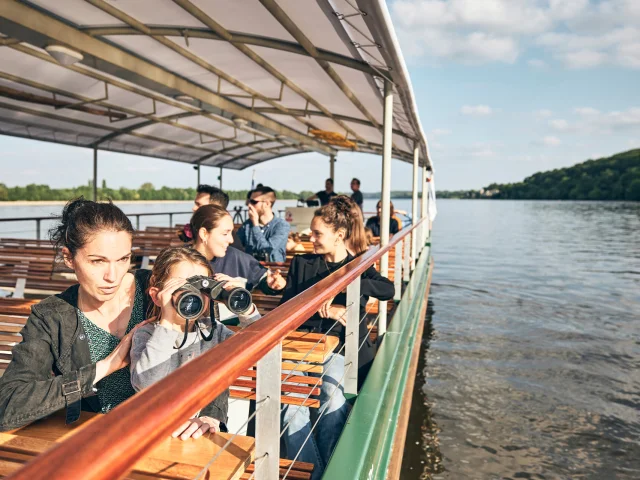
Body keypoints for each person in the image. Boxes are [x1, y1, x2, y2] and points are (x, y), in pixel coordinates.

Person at [0, 198, 152, 430]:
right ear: (69, 258)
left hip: (163, 432)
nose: (113, 276)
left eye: (123, 259)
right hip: (91, 439)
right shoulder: (51, 316)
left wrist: (211, 414)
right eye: (97, 261)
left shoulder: (154, 291)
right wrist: (105, 366)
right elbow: (8, 405)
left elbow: (208, 342)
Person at [279, 197, 394, 477]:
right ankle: (318, 473)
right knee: (290, 409)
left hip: (341, 349)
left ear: (339, 235)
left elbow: (387, 290)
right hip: (304, 347)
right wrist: (323, 310)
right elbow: (287, 308)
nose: (311, 237)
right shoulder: (302, 264)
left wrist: (349, 282)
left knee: (332, 399)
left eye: (317, 233)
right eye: (312, 232)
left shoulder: (359, 265)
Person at [130, 246, 261, 440]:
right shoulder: (147, 334)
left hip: (199, 434)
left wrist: (243, 306)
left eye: (203, 288)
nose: (196, 296)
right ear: (157, 295)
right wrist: (167, 321)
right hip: (153, 434)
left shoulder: (212, 331)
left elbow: (260, 346)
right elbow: (147, 384)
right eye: (183, 289)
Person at [191, 204, 286, 295]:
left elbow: (262, 278)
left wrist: (272, 283)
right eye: (225, 234)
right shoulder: (181, 262)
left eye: (231, 233)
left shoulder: (235, 257)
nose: (231, 240)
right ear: (204, 234)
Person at [238, 186, 290, 263]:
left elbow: (267, 250)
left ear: (267, 204)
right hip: (250, 270)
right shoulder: (247, 225)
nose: (249, 205)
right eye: (249, 201)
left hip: (273, 270)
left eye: (253, 202)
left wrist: (255, 225)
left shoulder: (282, 225)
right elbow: (235, 245)